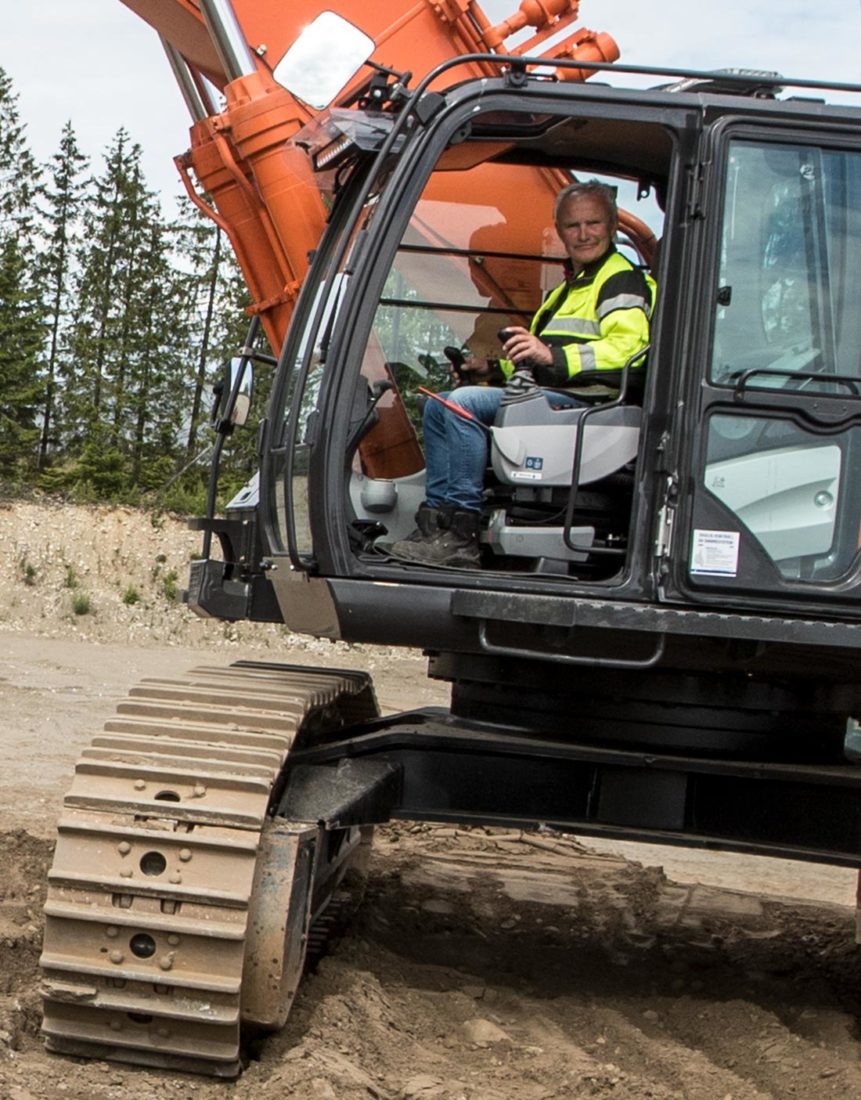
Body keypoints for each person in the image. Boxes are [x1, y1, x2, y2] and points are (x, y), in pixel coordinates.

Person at [391, 180, 654, 568]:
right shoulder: (568, 290)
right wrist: (492, 367)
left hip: (591, 404)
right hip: (555, 397)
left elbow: (629, 351)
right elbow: (537, 359)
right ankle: (438, 526)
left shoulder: (620, 279)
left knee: (461, 408)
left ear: (612, 226)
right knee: (440, 405)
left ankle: (460, 534)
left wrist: (552, 355)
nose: (583, 234)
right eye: (572, 226)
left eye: (593, 223)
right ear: (560, 231)